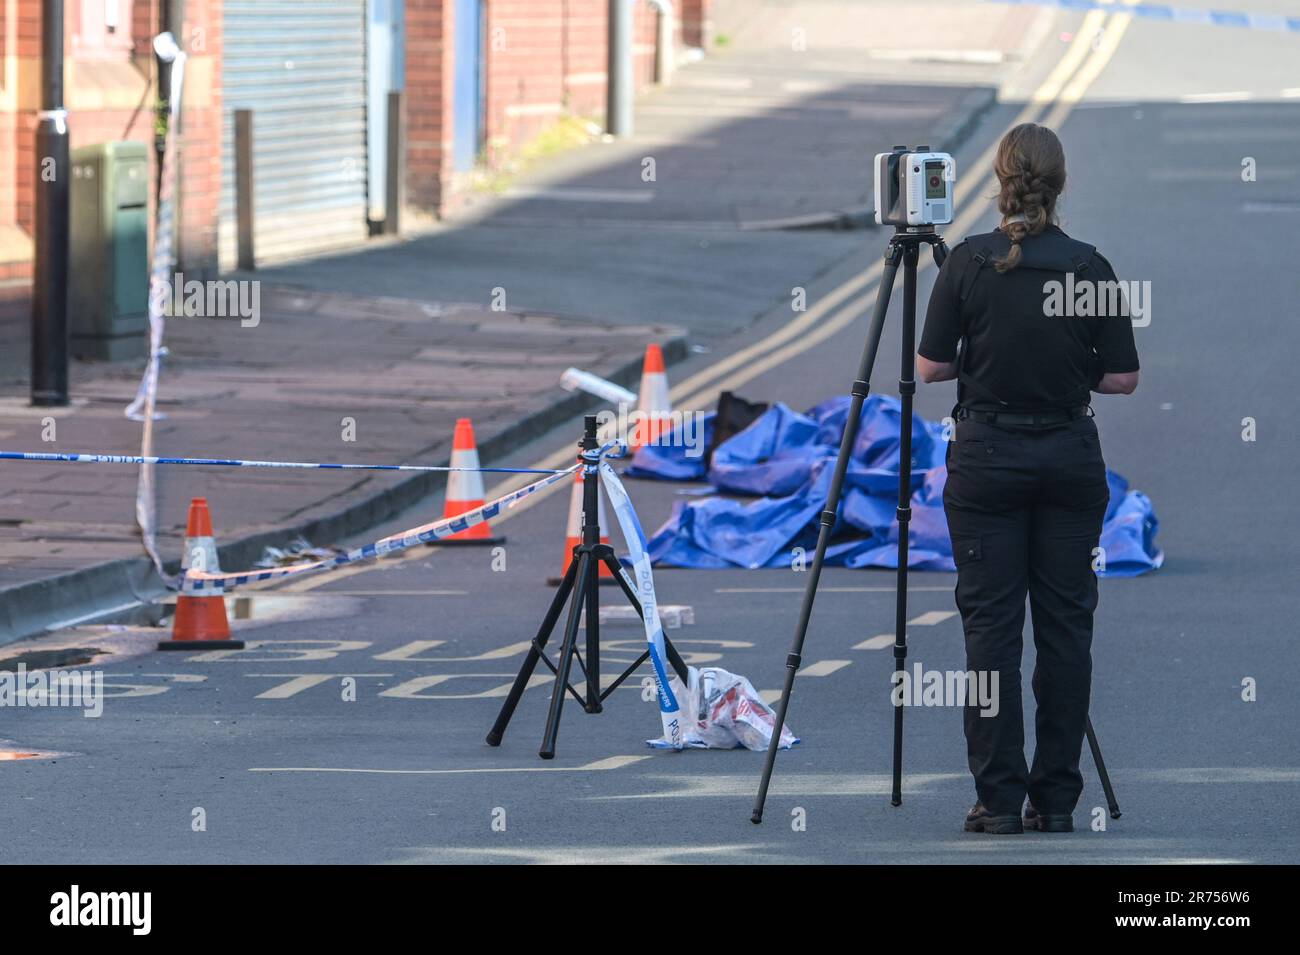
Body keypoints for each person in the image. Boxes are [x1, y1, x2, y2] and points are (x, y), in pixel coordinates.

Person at [916, 123, 1140, 835]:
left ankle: (999, 800)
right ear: (1060, 182)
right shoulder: (1090, 268)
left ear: (1000, 179)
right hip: (1069, 457)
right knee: (1067, 630)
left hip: (987, 459)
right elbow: (1123, 377)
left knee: (992, 633)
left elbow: (930, 367)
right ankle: (1059, 799)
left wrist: (985, 359)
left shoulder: (970, 263)